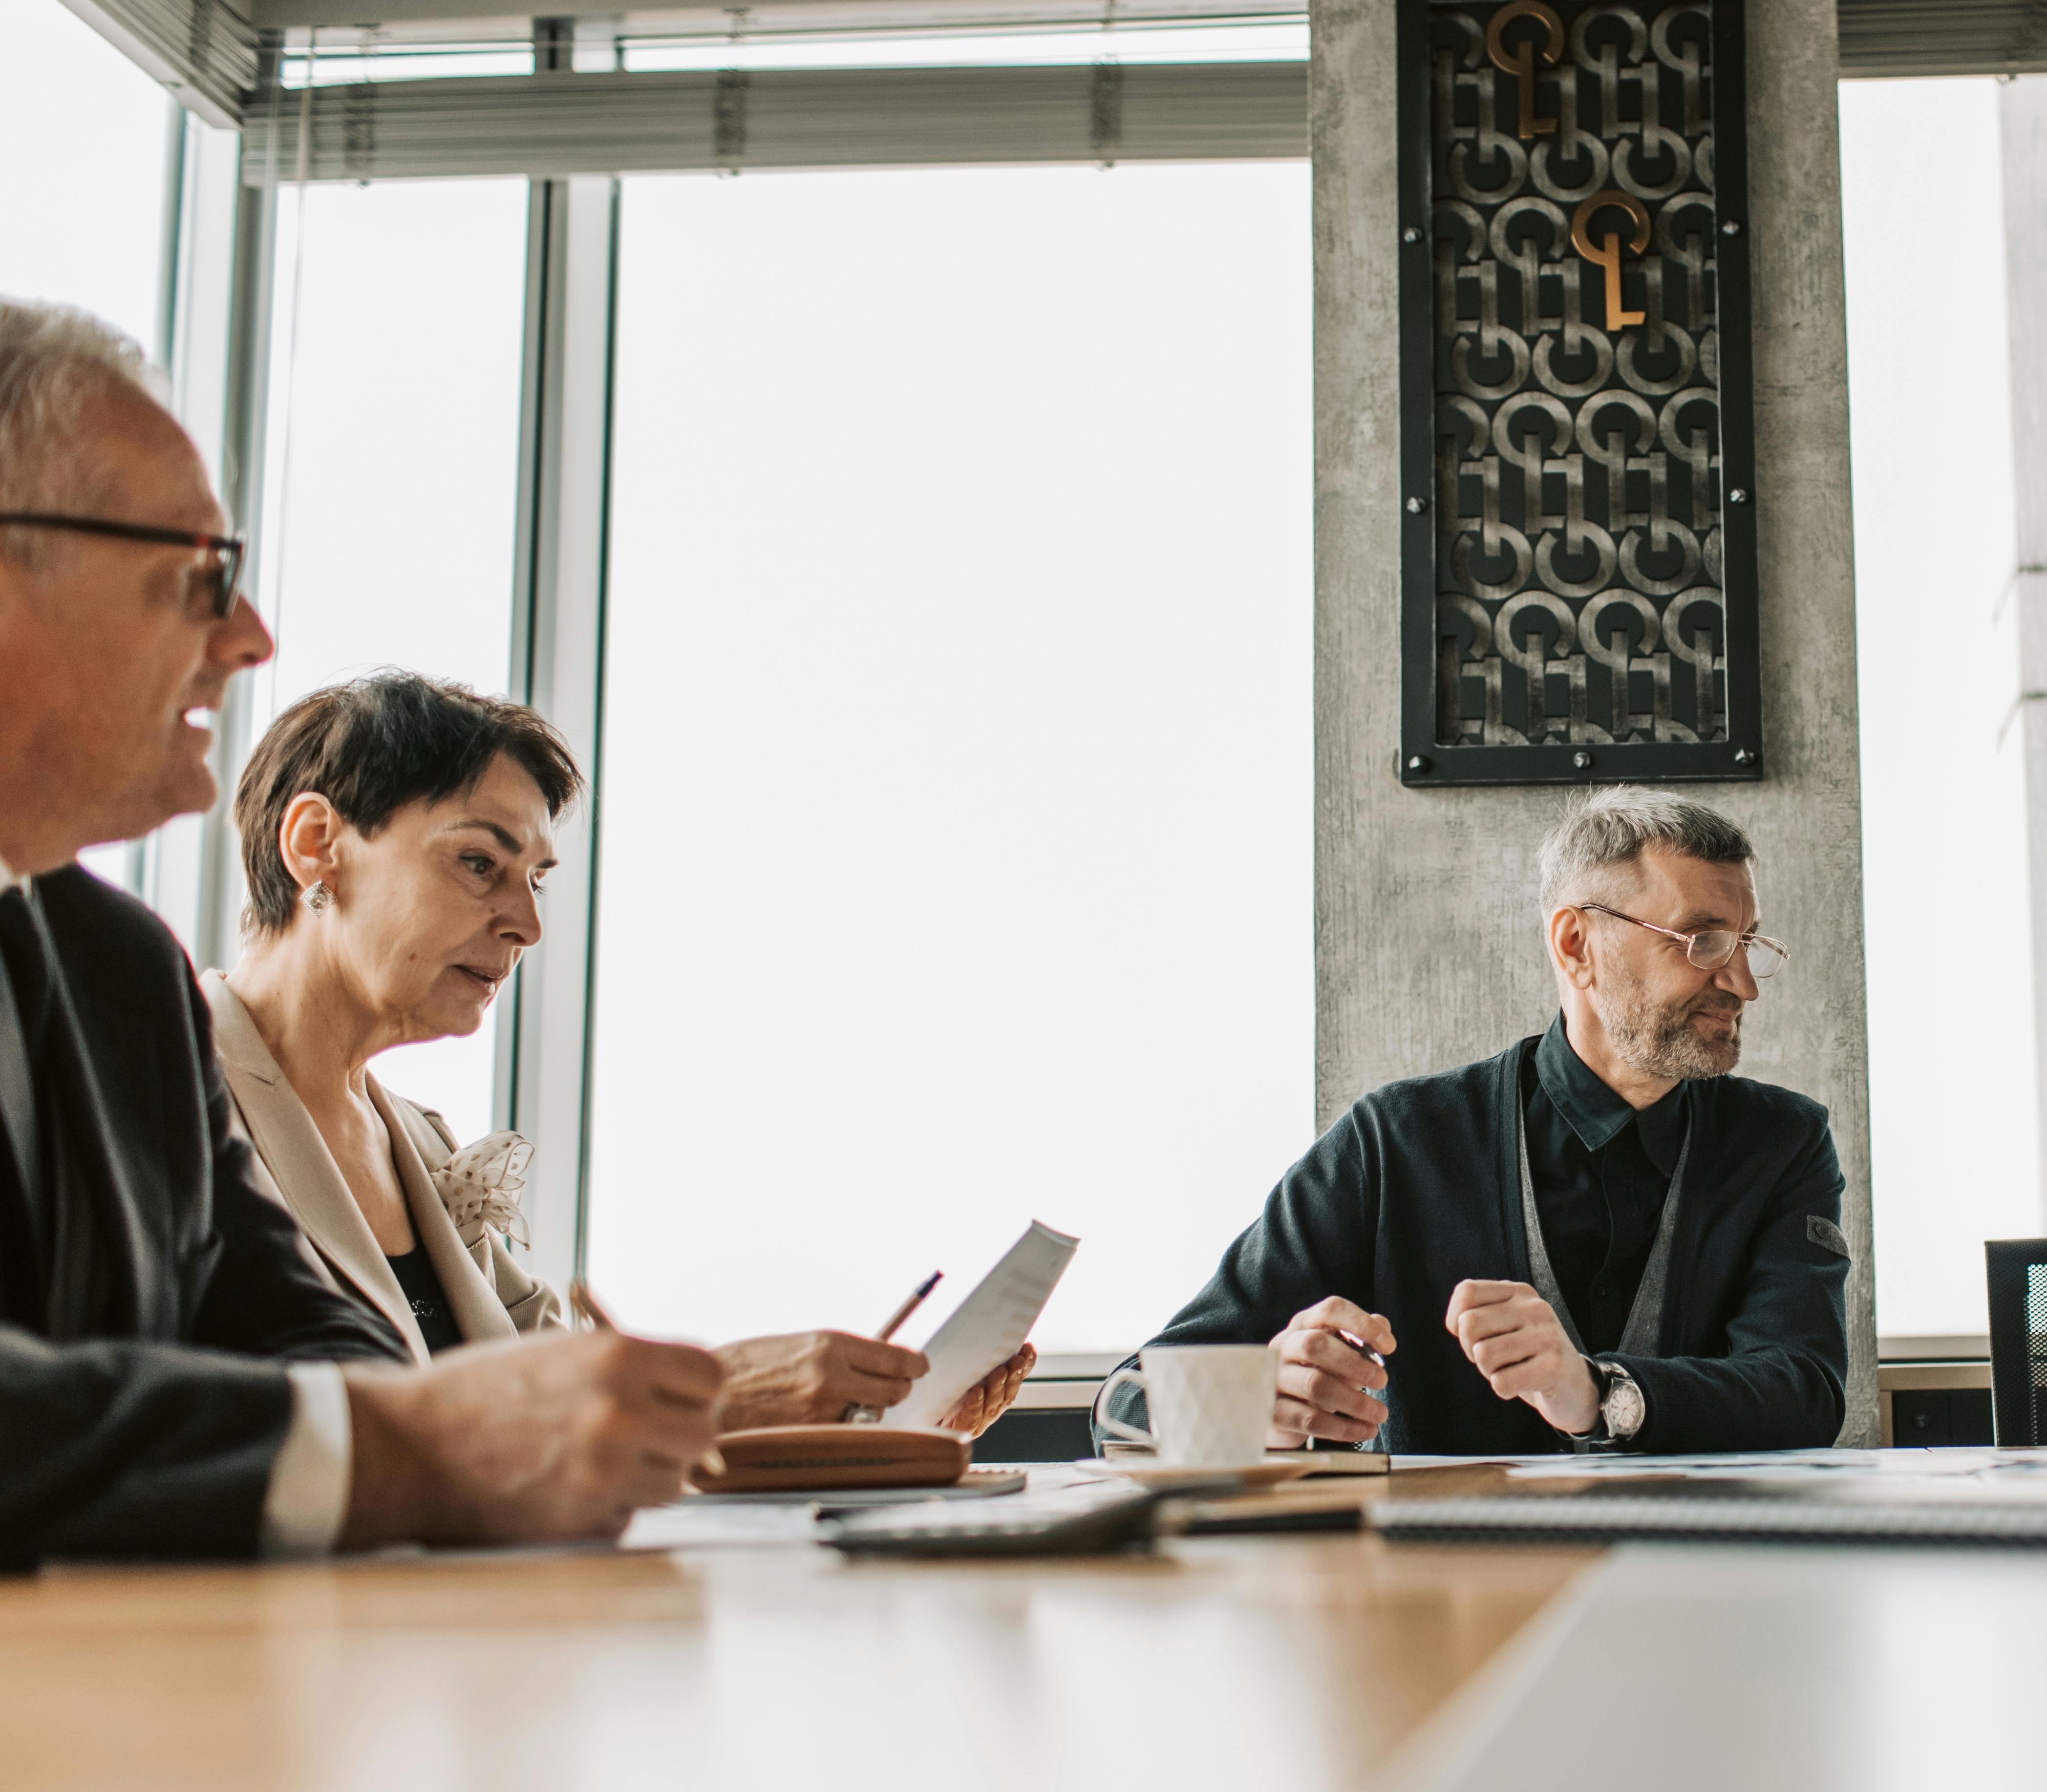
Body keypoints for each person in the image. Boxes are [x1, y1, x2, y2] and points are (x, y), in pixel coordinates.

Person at [0, 296, 722, 1566]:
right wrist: (403, 1450)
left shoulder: (121, 972)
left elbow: (305, 1331)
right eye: (200, 573)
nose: (251, 636)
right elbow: (368, 1417)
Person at [200, 670, 1031, 1430]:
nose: (527, 926)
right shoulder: (165, 1098)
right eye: (480, 863)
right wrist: (719, 1392)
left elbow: (554, 1404)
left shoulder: (421, 1144)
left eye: (536, 880)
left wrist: (867, 1423)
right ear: (316, 844)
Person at [1112, 788, 1850, 1454]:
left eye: (1748, 943)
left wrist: (1597, 1395)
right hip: (1446, 1565)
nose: (1743, 983)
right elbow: (1127, 1404)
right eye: (1703, 941)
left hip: (1704, 1561)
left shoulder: (1784, 1143)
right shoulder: (1394, 1142)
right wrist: (1257, 1406)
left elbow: (1807, 1392)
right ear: (1576, 945)